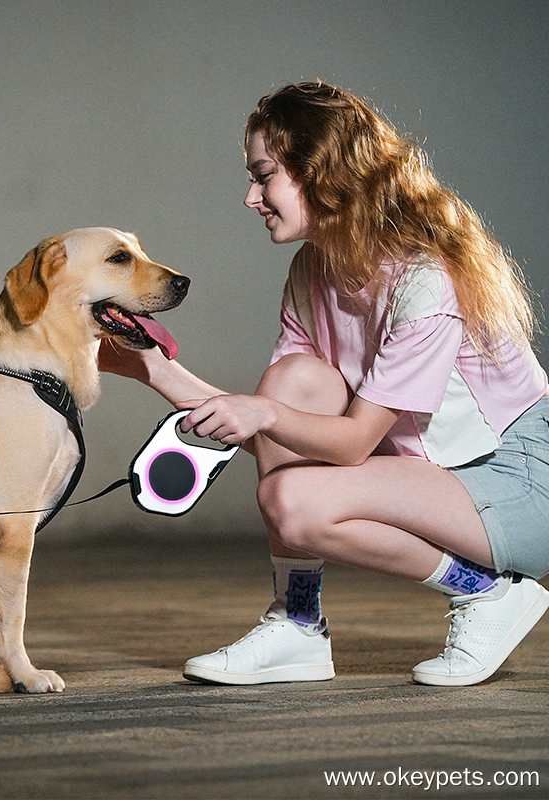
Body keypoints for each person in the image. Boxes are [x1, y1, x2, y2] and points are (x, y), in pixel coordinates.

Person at [99, 81, 549, 687]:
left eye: (264, 176)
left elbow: (348, 443)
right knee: (296, 380)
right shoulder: (314, 268)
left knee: (293, 498)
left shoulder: (425, 279)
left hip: (516, 477)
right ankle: (299, 624)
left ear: (320, 173)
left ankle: (488, 593)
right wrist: (152, 366)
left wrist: (262, 416)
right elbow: (279, 426)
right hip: (431, 473)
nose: (250, 197)